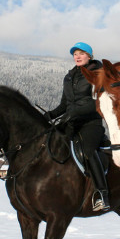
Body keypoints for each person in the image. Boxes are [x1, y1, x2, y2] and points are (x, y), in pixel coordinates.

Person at [46, 42, 110, 211]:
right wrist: (49, 115)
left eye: (81, 53)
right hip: (71, 122)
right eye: (75, 54)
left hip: (91, 123)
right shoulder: (69, 77)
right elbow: (64, 105)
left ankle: (102, 194)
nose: (78, 56)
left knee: (88, 151)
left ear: (90, 56)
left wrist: (75, 112)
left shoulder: (97, 74)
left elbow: (99, 102)